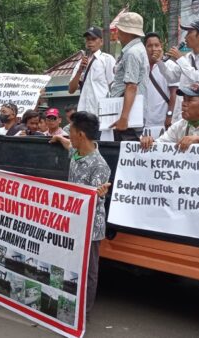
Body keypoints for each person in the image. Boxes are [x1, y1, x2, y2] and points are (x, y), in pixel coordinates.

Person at [49, 111, 111, 318]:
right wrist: (59, 138)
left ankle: (82, 313)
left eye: (71, 132)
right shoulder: (77, 153)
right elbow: (68, 147)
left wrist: (98, 195)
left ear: (82, 135)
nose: (69, 136)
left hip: (90, 227)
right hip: (73, 223)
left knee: (89, 271)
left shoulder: (100, 166)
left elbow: (94, 201)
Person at [158, 20, 199, 123]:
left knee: (194, 138)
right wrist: (159, 62)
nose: (185, 37)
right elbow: (172, 77)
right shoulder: (187, 57)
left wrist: (179, 58)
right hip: (182, 111)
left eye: (189, 33)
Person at [140, 83, 199, 151]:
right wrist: (150, 142)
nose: (184, 104)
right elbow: (160, 145)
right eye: (184, 99)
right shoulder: (179, 125)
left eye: (189, 100)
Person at [108, 12, 151, 141]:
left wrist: (124, 118)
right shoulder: (138, 49)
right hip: (129, 114)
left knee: (124, 155)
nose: (117, 33)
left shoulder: (132, 53)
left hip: (128, 118)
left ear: (126, 32)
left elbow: (131, 86)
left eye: (119, 30)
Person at [69, 26, 116, 116]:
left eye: (93, 39)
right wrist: (80, 71)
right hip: (84, 111)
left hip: (101, 111)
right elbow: (71, 90)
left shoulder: (107, 59)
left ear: (101, 41)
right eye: (87, 39)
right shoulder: (80, 63)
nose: (90, 42)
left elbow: (114, 86)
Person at [145, 33, 177, 129]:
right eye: (150, 46)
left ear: (161, 46)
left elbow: (173, 93)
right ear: (145, 48)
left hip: (162, 120)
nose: (153, 49)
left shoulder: (170, 65)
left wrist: (169, 115)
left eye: (156, 45)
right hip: (143, 120)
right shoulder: (141, 66)